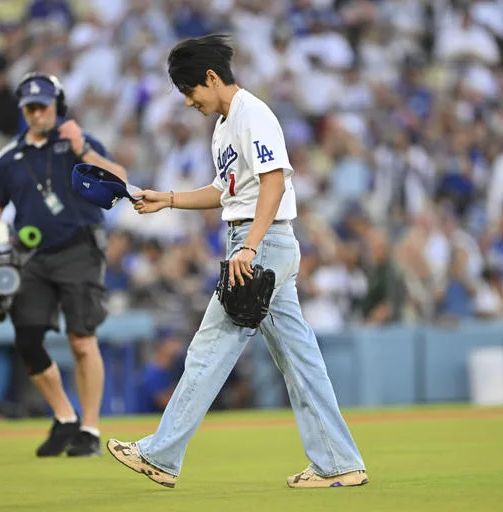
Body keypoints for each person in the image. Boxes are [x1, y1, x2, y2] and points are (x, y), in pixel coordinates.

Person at [107, 34, 368, 489]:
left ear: (211, 78)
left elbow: (272, 185)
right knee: (300, 359)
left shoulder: (253, 114)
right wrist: (167, 199)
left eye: (191, 91)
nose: (189, 102)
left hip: (257, 245)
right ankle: (339, 462)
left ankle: (160, 455)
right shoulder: (226, 125)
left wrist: (247, 247)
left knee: (209, 350)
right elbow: (225, 191)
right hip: (259, 240)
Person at [0, 72, 127, 456]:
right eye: (29, 106)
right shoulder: (9, 157)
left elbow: (120, 180)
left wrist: (83, 150)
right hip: (32, 256)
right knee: (27, 339)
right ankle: (65, 417)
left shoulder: (76, 141)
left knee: (81, 339)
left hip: (79, 247)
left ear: (57, 106)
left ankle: (90, 430)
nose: (36, 112)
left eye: (42, 105)